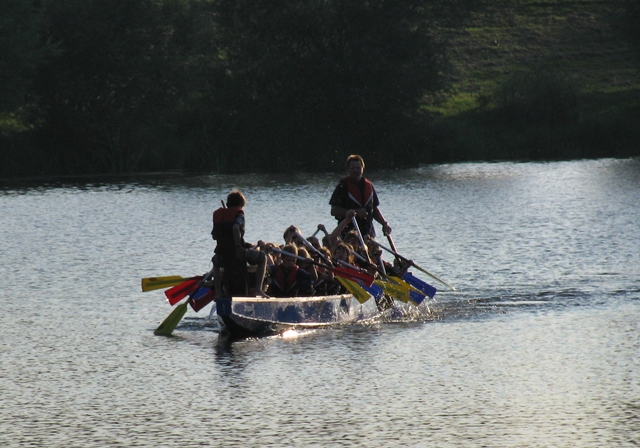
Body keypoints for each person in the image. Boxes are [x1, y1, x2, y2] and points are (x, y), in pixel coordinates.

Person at [211, 190, 269, 298]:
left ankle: (218, 293)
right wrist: (238, 246)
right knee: (262, 257)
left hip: (222, 253)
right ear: (240, 205)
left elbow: (214, 235)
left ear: (228, 204)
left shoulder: (218, 215)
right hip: (236, 252)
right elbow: (236, 227)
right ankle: (258, 289)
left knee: (215, 262)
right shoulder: (239, 214)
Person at [329, 154, 392, 238]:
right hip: (349, 234)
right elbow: (334, 211)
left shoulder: (369, 185)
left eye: (358, 168)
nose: (356, 171)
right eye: (352, 168)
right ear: (347, 169)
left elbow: (374, 209)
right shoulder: (343, 186)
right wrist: (355, 212)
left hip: (368, 233)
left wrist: (384, 223)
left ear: (363, 169)